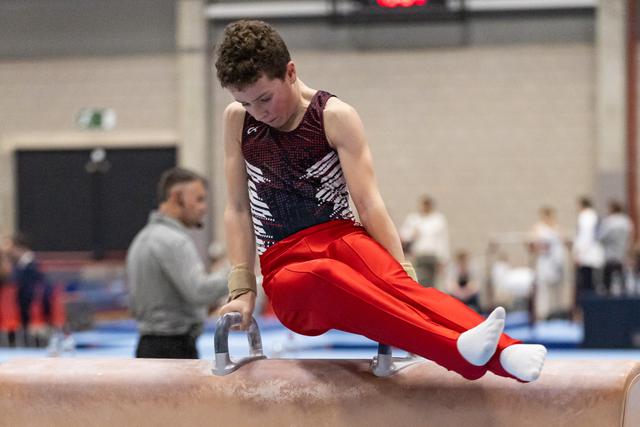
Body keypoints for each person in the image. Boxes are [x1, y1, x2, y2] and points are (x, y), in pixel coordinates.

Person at [214, 20, 546, 382]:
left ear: (290, 72)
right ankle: (459, 353)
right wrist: (243, 290)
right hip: (285, 265)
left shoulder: (334, 116)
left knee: (390, 277)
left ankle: (507, 352)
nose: (258, 111)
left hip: (341, 237)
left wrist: (404, 279)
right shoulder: (238, 121)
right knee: (327, 275)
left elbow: (369, 203)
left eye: (264, 98)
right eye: (244, 101)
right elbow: (237, 208)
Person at [126, 167, 227, 359]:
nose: (203, 207)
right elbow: (200, 291)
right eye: (198, 199)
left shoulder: (142, 238)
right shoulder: (172, 241)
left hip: (150, 346)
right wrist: (239, 273)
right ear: (175, 198)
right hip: (172, 349)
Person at [4, 233, 52, 346]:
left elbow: (34, 287)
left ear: (18, 247)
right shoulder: (20, 264)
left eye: (11, 248)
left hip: (31, 303)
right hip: (23, 304)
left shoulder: (31, 264)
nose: (10, 252)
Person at [399, 196, 450, 287]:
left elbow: (442, 241)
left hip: (433, 256)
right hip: (419, 255)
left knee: (432, 283)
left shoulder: (438, 219)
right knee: (419, 280)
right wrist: (413, 234)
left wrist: (443, 260)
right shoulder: (414, 219)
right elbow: (403, 236)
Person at [529, 206, 567, 320]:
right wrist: (540, 248)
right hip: (544, 261)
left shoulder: (557, 228)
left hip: (557, 262)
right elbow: (531, 244)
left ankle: (558, 313)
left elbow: (562, 242)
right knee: (543, 289)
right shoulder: (538, 227)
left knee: (558, 289)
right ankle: (542, 315)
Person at [572, 197, 604, 315]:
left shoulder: (586, 216)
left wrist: (579, 253)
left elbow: (586, 236)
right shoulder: (593, 215)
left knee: (586, 285)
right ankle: (590, 311)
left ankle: (587, 312)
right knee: (590, 284)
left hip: (588, 256)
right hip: (592, 255)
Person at [598, 200, 633, 295]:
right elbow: (630, 237)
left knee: (608, 279)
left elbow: (601, 237)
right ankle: (623, 294)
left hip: (610, 254)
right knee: (621, 277)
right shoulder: (626, 221)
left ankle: (608, 298)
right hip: (621, 254)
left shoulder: (608, 221)